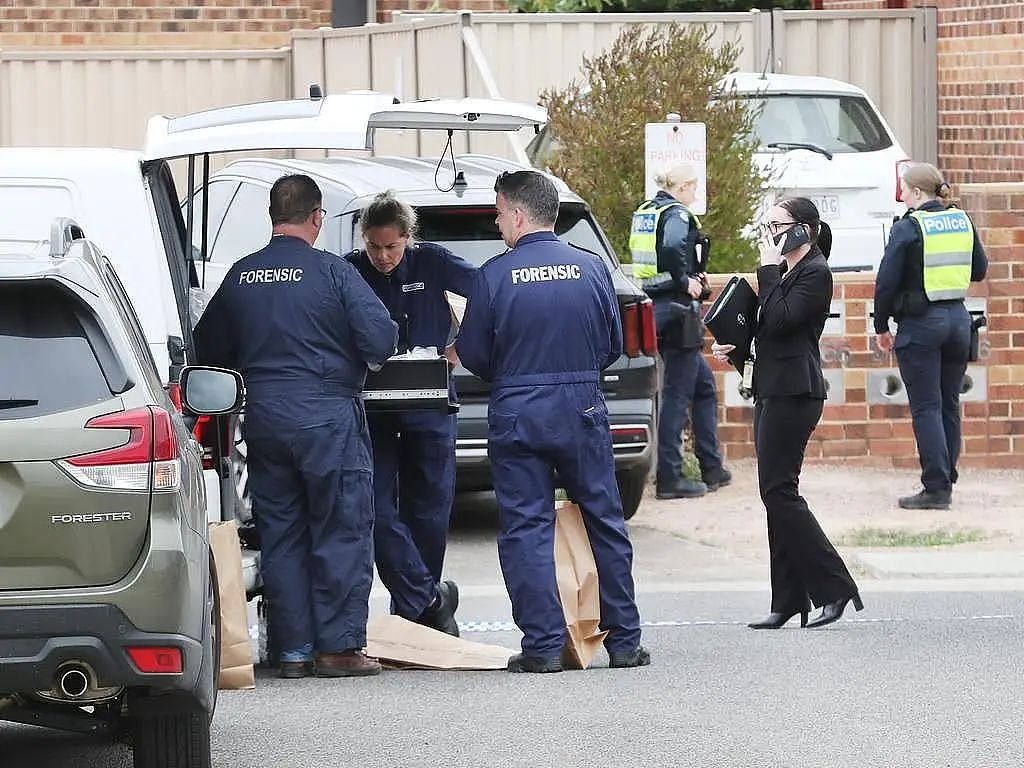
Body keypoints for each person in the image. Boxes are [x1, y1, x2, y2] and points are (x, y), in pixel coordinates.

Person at [194, 174, 398, 678]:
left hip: (264, 420)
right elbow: (381, 339)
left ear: (273, 217)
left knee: (281, 532)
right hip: (328, 419)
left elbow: (206, 350)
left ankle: (291, 650)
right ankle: (338, 648)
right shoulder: (332, 272)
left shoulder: (241, 275)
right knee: (341, 527)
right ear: (316, 218)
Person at [457, 170, 649, 672]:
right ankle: (624, 642)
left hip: (518, 409)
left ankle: (542, 647)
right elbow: (613, 345)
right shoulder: (591, 269)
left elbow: (475, 356)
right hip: (582, 405)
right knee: (604, 519)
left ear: (519, 214)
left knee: (525, 527)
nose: (498, 223)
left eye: (499, 213)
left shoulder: (494, 275)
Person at [712, 197, 862, 630]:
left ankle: (835, 588)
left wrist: (766, 270)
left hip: (796, 392)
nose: (770, 233)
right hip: (772, 388)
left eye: (777, 225)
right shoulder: (790, 272)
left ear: (804, 229)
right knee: (774, 493)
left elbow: (780, 321)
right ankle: (788, 599)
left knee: (780, 491)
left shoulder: (815, 273)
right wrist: (736, 347)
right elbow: (766, 332)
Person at [346, 191, 477, 636]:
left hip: (430, 405)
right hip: (374, 410)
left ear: (408, 240)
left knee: (429, 510)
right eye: (374, 246)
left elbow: (488, 292)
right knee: (376, 509)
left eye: (392, 247)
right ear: (363, 240)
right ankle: (429, 598)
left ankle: (416, 615)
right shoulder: (349, 269)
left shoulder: (433, 262)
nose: (382, 257)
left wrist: (463, 346)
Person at [874, 163, 987, 510]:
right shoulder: (961, 220)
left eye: (905, 189)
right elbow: (979, 269)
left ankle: (936, 488)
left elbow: (887, 281)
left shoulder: (909, 228)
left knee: (926, 407)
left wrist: (880, 326)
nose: (902, 195)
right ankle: (946, 477)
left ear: (918, 193)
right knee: (949, 404)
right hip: (958, 319)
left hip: (922, 324)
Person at [629, 162, 731, 500]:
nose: (695, 193)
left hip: (654, 305)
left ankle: (712, 467)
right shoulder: (677, 215)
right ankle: (670, 477)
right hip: (677, 310)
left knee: (702, 388)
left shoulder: (647, 211)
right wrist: (685, 280)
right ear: (684, 186)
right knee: (675, 395)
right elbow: (673, 248)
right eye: (694, 186)